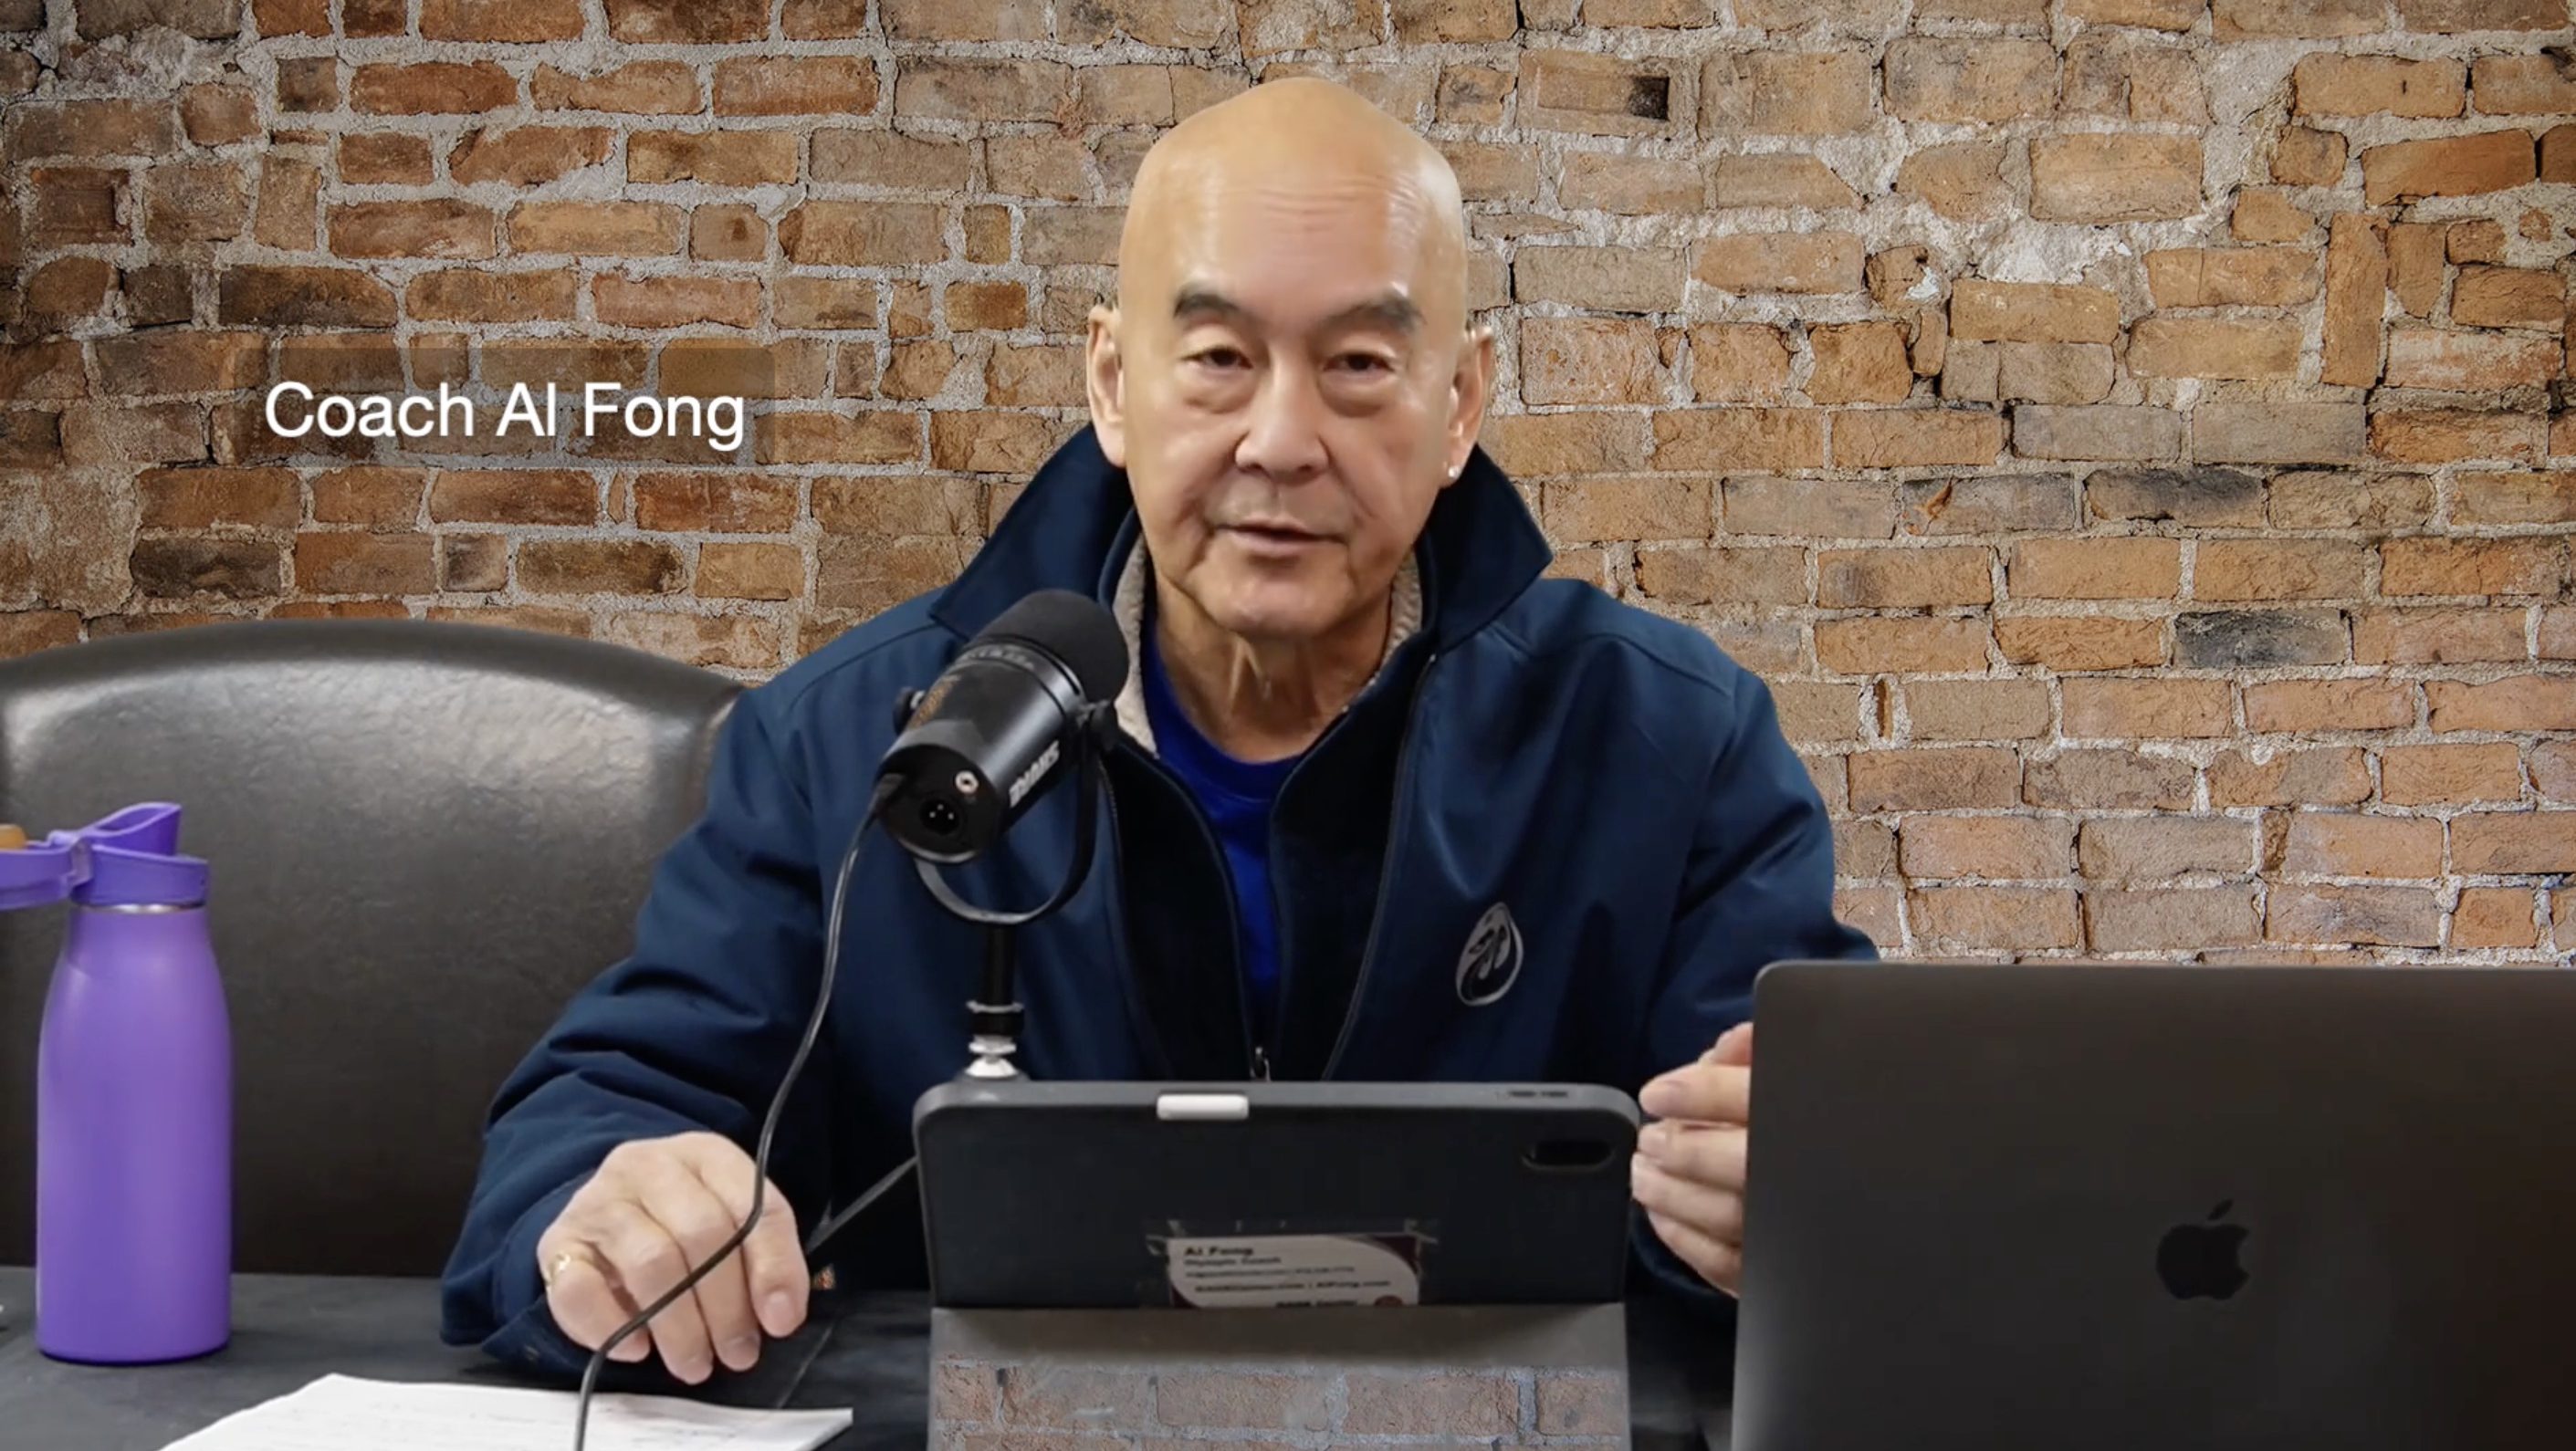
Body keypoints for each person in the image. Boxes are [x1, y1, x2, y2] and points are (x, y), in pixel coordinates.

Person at [439, 77, 1875, 1387]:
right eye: (1215, 359)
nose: (1280, 440)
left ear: (1461, 404)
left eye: (1361, 365)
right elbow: (603, 1111)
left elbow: (1834, 1161)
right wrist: (607, 1207)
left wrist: (1793, 1218)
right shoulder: (843, 748)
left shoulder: (1667, 745)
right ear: (1113, 384)